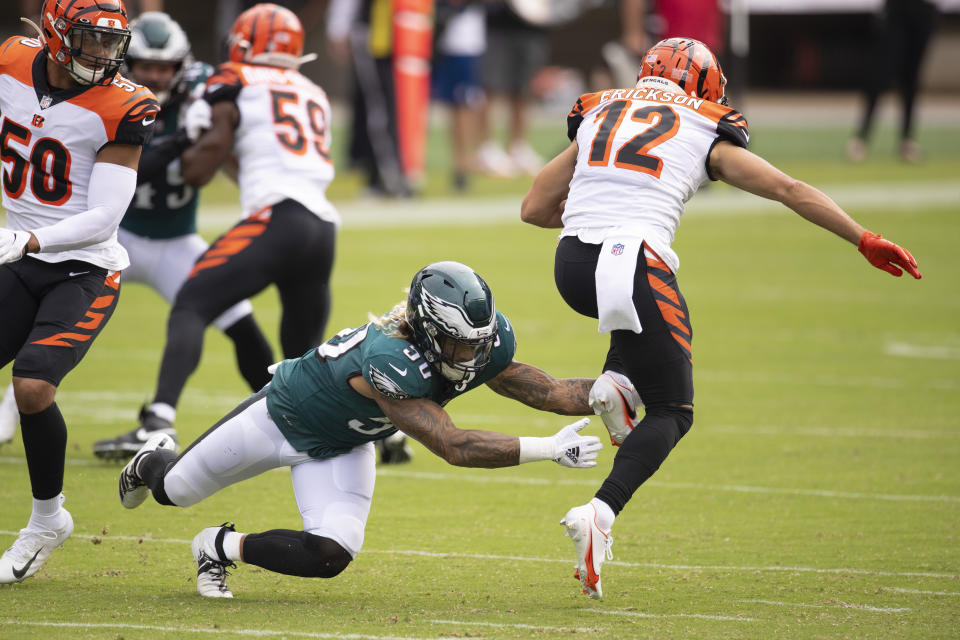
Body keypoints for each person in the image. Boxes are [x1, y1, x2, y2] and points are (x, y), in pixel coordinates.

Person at [520, 37, 922, 599]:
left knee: (639, 350)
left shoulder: (600, 109)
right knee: (673, 410)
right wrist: (863, 238)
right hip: (632, 261)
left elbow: (534, 207)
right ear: (703, 86)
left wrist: (600, 205)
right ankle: (600, 514)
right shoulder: (705, 125)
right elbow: (788, 188)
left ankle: (615, 383)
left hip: (572, 263)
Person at [117, 261, 603, 598]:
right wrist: (548, 448)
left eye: (479, 343)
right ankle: (151, 459)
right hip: (280, 419)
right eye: (459, 345)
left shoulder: (475, 343)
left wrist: (621, 390)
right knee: (173, 490)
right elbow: (452, 445)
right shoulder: (391, 360)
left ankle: (216, 546)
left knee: (332, 553)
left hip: (343, 444)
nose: (473, 357)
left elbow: (550, 391)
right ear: (430, 331)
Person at [120, 3, 340, 453]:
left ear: (241, 44)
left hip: (277, 219)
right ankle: (372, 429)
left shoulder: (233, 77)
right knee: (300, 360)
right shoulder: (313, 90)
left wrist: (198, 137)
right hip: (323, 227)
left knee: (192, 301)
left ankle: (157, 421)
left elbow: (203, 168)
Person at [0, 0, 159, 584]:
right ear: (55, 35)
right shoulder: (11, 63)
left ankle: (47, 521)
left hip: (83, 268)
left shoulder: (125, 104)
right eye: (90, 40)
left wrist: (27, 240)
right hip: (19, 252)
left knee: (34, 384)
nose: (102, 53)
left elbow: (104, 218)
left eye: (110, 42)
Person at [88, 11, 275, 460]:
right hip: (118, 236)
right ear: (128, 64)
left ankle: (287, 413)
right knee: (53, 318)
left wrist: (213, 111)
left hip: (177, 241)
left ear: (180, 66)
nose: (155, 76)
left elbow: (240, 96)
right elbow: (138, 168)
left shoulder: (201, 91)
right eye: (146, 67)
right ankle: (11, 412)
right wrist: (180, 140)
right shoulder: (108, 99)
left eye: (164, 68)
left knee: (244, 330)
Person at [847, 0, 939, 164]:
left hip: (925, 9)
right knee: (880, 73)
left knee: (911, 78)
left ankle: (907, 140)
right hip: (898, 7)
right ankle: (862, 137)